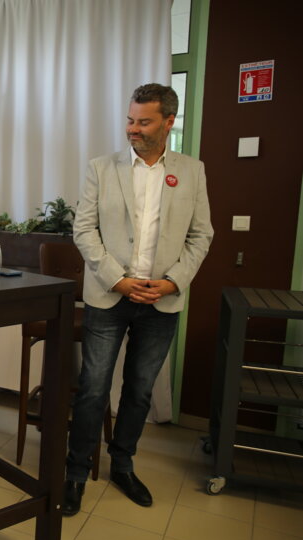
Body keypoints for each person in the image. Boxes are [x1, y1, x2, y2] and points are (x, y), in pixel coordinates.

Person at [64, 83, 213, 516]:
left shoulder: (192, 171)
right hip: (109, 296)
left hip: (161, 300)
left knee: (140, 391)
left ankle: (123, 466)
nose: (133, 128)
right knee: (93, 389)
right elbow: (84, 230)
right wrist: (117, 279)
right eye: (130, 120)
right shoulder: (101, 168)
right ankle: (75, 473)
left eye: (144, 122)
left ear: (169, 122)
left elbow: (201, 235)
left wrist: (173, 282)